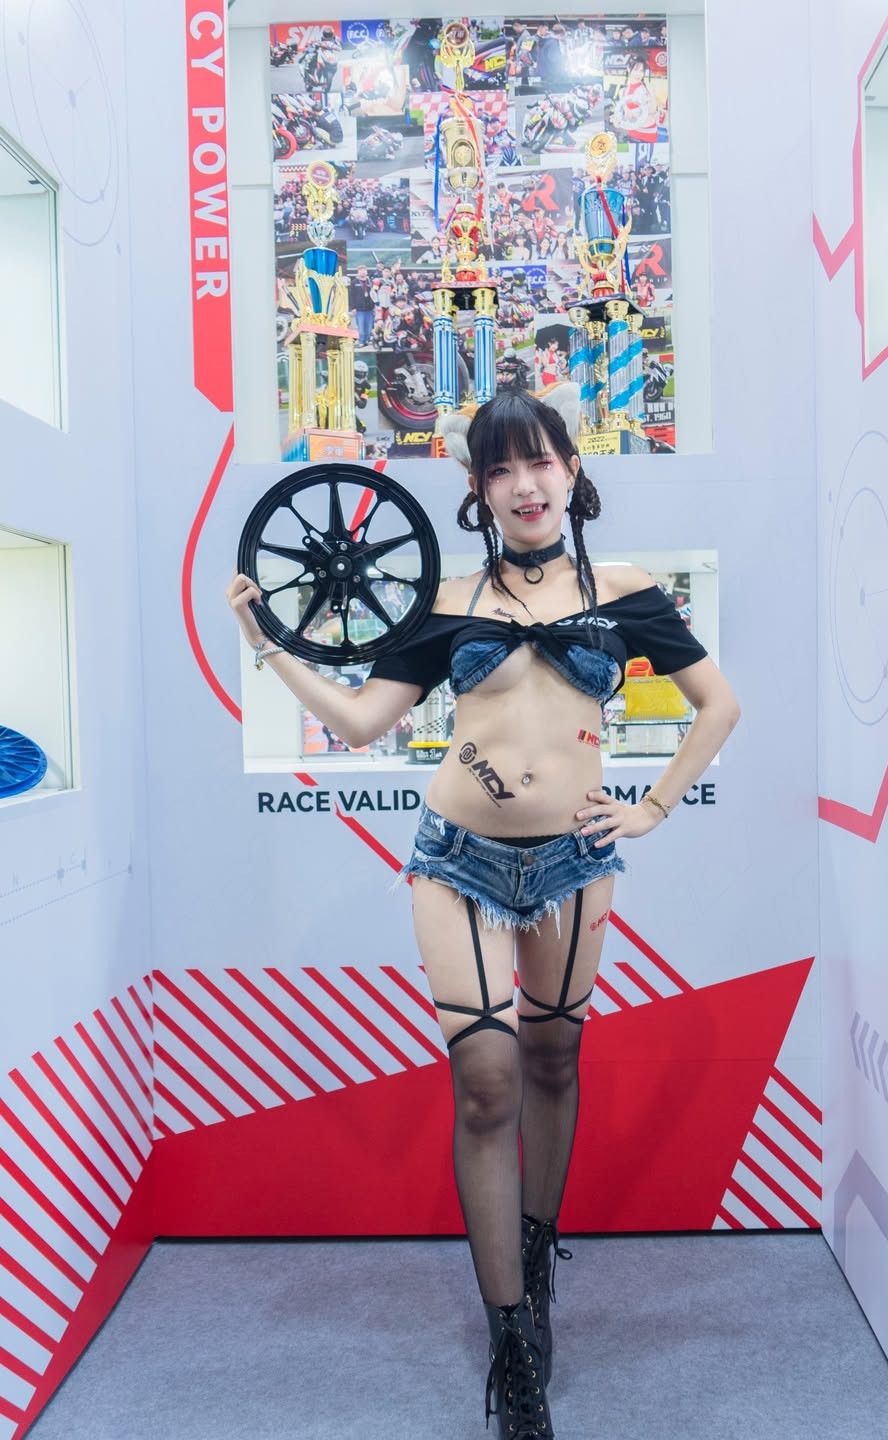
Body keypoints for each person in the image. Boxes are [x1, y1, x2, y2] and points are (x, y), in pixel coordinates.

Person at [226, 389, 740, 1438]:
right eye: (500, 469)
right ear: (478, 491)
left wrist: (649, 808)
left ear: (572, 471)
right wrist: (268, 639)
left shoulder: (626, 592)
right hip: (456, 861)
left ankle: (537, 1276)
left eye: (539, 462)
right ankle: (513, 1350)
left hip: (575, 861)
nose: (524, 485)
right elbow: (363, 720)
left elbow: (717, 704)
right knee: (488, 1080)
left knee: (553, 1063)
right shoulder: (447, 599)